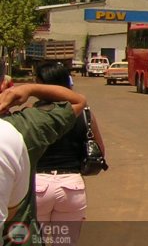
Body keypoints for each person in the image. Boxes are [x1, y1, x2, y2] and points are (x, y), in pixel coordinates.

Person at [0, 72, 86, 245]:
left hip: (43, 188)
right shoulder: (24, 127)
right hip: (70, 187)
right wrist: (29, 89)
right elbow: (78, 101)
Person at [34, 62, 105, 245]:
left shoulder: (31, 115)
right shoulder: (84, 113)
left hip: (38, 186)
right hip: (72, 187)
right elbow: (99, 149)